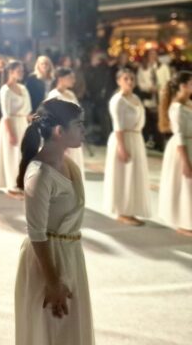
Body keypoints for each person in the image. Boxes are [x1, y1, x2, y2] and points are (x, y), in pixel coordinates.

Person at [15, 99, 94, 345]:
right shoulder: (40, 174)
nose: (84, 130)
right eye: (78, 125)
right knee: (51, 331)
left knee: (70, 331)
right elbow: (36, 233)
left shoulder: (68, 164)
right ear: (59, 131)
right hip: (48, 260)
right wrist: (53, 282)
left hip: (70, 254)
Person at [104, 69, 151, 226]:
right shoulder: (117, 100)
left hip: (136, 138)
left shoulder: (135, 98)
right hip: (123, 139)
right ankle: (122, 211)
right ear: (119, 81)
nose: (130, 81)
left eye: (132, 78)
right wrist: (122, 148)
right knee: (124, 175)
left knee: (134, 175)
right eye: (126, 79)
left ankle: (130, 210)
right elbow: (118, 126)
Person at [158, 71, 192, 236]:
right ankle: (184, 223)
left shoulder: (188, 104)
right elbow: (178, 135)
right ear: (183, 86)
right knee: (185, 185)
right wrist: (185, 162)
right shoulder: (177, 108)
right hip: (183, 147)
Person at [0, 60, 31, 195]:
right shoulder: (5, 90)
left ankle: (23, 183)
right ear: (10, 72)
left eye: (22, 70)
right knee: (12, 155)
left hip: (23, 123)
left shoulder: (23, 88)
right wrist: (11, 133)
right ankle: (13, 184)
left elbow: (27, 111)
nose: (21, 73)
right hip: (11, 124)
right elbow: (6, 114)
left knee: (23, 155)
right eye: (18, 70)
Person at [47, 68, 85, 175]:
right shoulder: (54, 95)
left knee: (75, 164)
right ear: (60, 79)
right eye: (70, 77)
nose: (73, 80)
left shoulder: (70, 94)